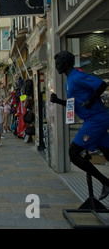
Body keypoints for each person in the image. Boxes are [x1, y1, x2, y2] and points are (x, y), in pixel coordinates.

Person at [51, 50, 109, 200]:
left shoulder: (77, 76)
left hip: (96, 120)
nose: (56, 67)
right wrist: (58, 101)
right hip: (93, 120)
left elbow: (102, 84)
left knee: (73, 153)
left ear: (65, 64)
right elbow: (74, 105)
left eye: (57, 64)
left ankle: (106, 182)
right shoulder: (69, 81)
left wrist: (90, 101)